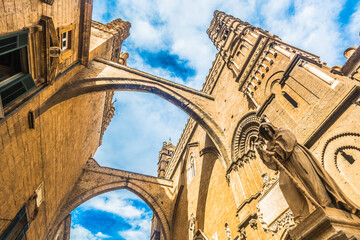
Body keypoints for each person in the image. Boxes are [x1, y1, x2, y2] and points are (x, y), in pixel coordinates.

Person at [255, 122, 359, 222]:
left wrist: (272, 151)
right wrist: (261, 152)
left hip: (296, 157)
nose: (267, 134)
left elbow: (288, 145)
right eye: (264, 133)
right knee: (285, 184)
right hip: (288, 166)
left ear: (271, 127)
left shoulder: (282, 132)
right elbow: (273, 164)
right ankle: (304, 215)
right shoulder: (269, 145)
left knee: (311, 180)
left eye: (267, 130)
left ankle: (326, 204)